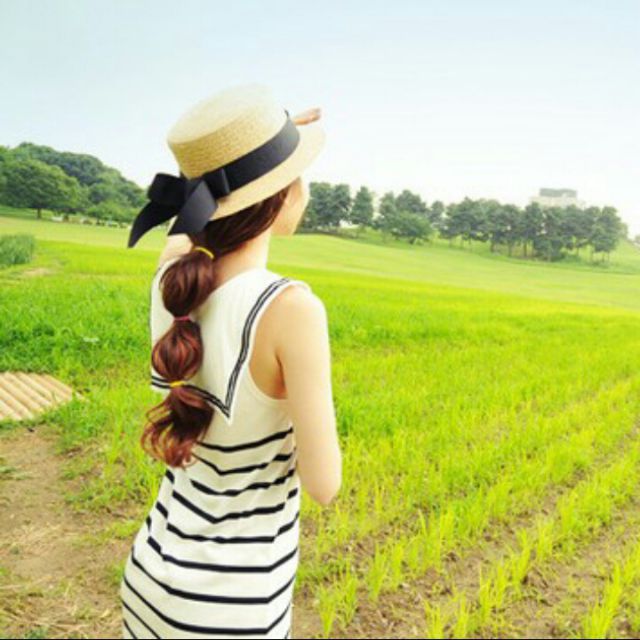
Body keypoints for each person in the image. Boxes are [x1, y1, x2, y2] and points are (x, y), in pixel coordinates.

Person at [120, 84, 342, 639]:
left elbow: (189, 232)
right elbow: (324, 484)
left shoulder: (171, 278)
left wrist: (262, 143)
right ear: (281, 193)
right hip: (230, 606)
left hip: (150, 577)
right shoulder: (291, 309)